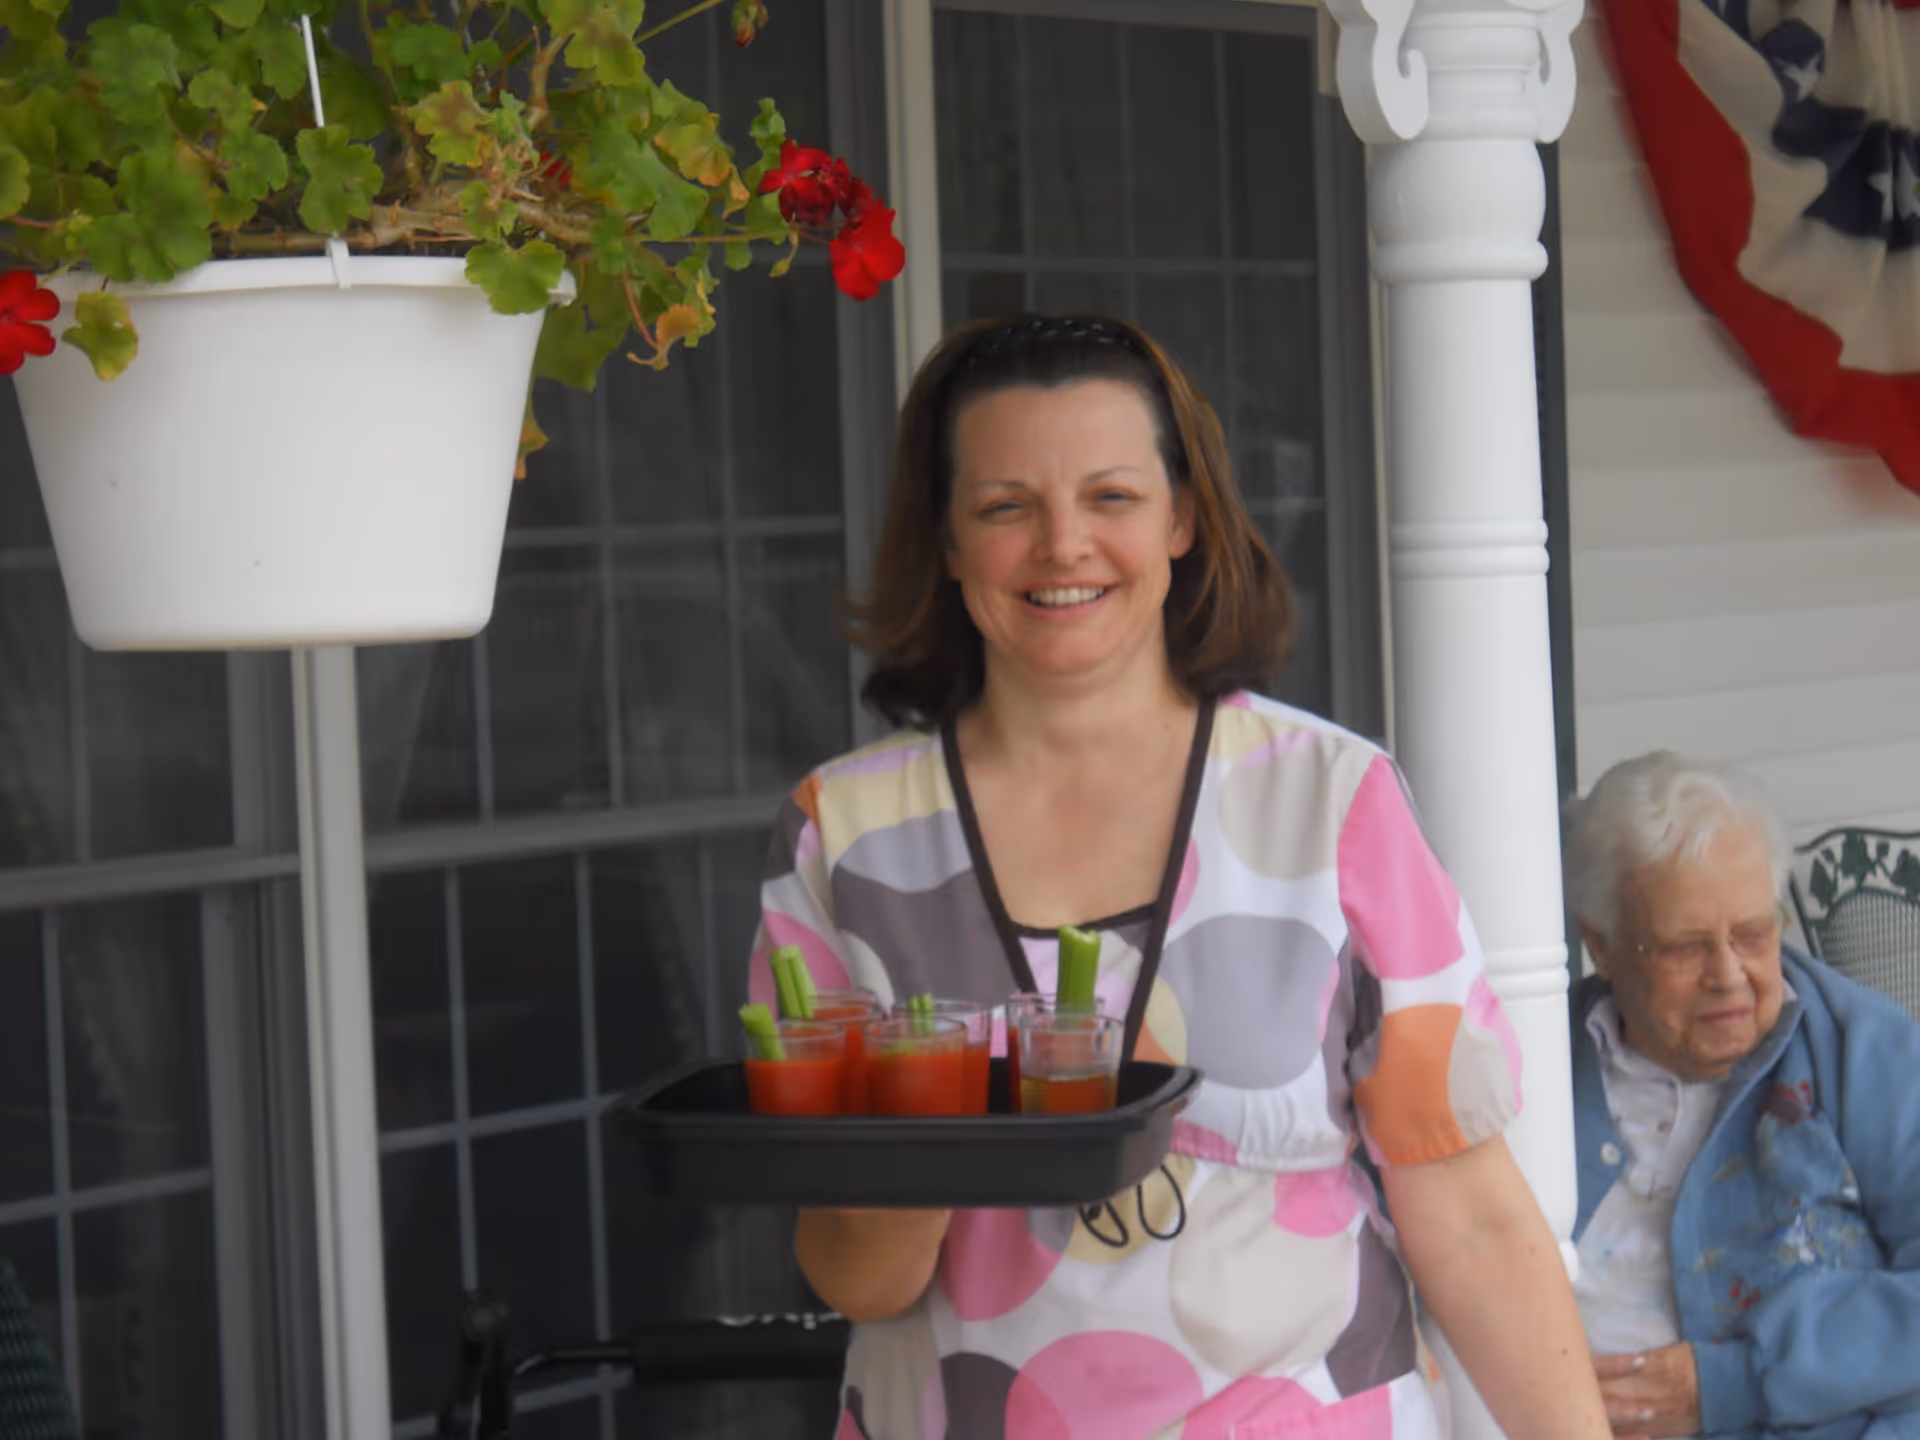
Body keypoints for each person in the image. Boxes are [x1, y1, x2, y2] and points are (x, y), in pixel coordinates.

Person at [748, 313, 1610, 1438]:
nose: (1064, 546)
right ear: (949, 542)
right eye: (1006, 507)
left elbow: (1475, 1222)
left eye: (1111, 497)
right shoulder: (842, 838)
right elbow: (856, 1277)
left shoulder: (1330, 801)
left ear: (1183, 518)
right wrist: (928, 1133)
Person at [1564, 752, 1920, 1440]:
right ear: (1602, 947)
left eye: (1754, 935)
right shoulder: (1538, 1066)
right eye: (1685, 948)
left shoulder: (1863, 1051)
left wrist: (1732, 1381)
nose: (1730, 976)